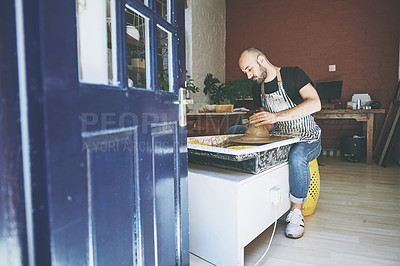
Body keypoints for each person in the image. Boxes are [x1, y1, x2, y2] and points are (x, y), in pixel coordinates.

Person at [238, 47, 322, 239]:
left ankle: (296, 212)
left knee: (298, 155)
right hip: (280, 139)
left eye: (249, 69)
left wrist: (275, 116)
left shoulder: (293, 74)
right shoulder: (256, 88)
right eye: (245, 72)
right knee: (237, 134)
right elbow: (268, 125)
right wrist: (257, 124)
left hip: (307, 137)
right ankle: (259, 205)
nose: (248, 75)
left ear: (261, 59)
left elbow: (315, 103)